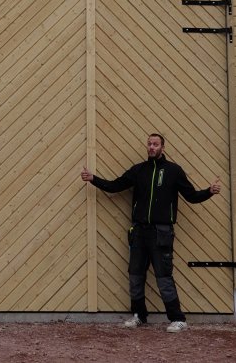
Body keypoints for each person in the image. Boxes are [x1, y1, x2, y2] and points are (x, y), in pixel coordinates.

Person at [81, 133, 221, 333]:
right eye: (149, 143)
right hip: (138, 232)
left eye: (156, 144)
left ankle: (178, 319)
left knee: (164, 276)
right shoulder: (138, 170)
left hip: (161, 232)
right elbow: (115, 186)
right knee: (135, 275)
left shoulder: (174, 171)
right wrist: (92, 179)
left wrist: (209, 191)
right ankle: (139, 316)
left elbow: (191, 196)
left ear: (163, 148)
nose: (152, 147)